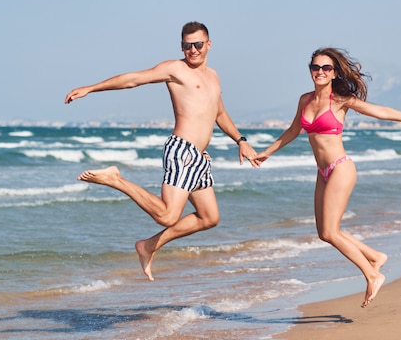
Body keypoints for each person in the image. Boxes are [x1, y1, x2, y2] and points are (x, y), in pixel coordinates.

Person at [64, 21, 258, 281]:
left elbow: (219, 113)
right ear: (181, 46)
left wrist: (240, 140)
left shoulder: (213, 76)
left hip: (199, 158)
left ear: (208, 45)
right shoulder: (175, 69)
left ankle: (148, 246)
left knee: (209, 217)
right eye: (187, 45)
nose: (193, 50)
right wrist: (91, 88)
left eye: (198, 44)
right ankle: (115, 179)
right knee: (168, 215)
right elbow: (133, 79)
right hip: (182, 151)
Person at [253, 47, 401, 307]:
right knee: (324, 232)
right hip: (323, 172)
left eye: (325, 68)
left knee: (331, 232)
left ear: (333, 73)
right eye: (315, 68)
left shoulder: (341, 100)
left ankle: (373, 274)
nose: (320, 72)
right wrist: (266, 153)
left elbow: (380, 111)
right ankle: (375, 256)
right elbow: (293, 130)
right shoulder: (305, 100)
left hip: (341, 167)